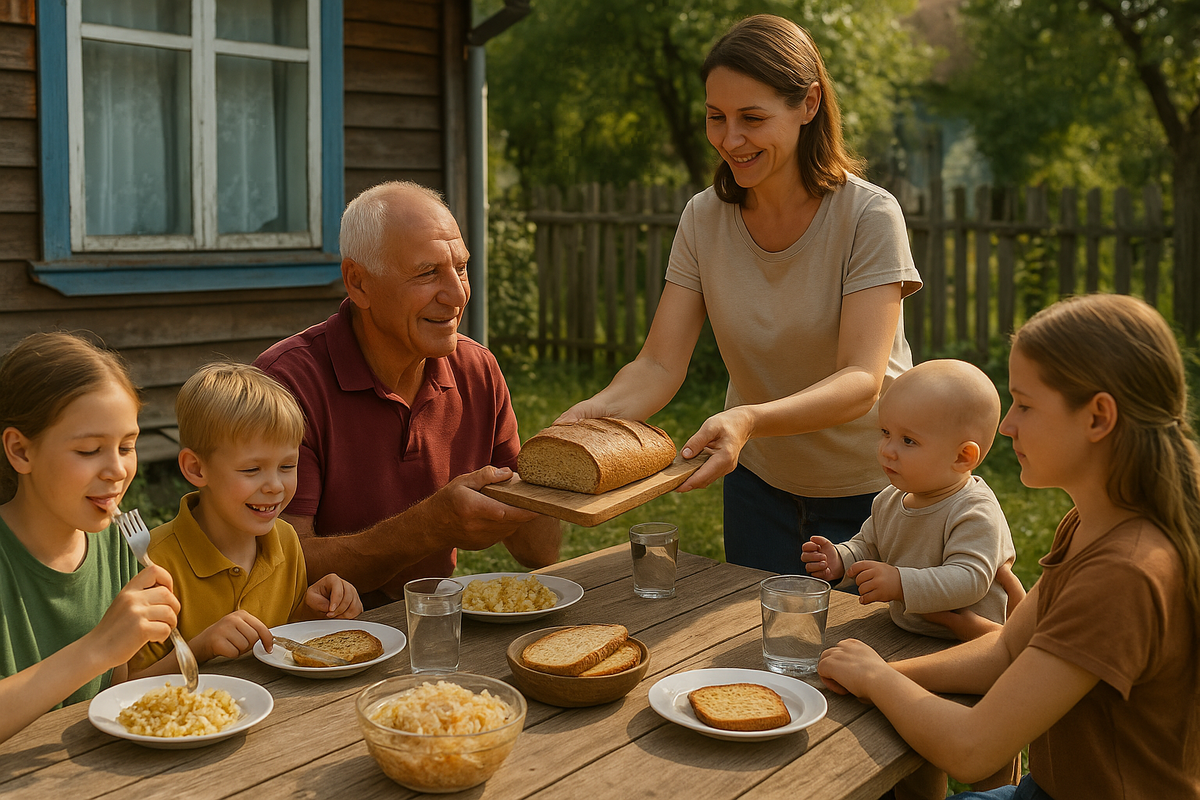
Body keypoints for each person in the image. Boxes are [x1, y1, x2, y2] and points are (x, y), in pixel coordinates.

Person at [556, 15, 921, 573]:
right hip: (758, 488)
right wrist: (591, 417)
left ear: (809, 104)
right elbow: (657, 363)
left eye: (752, 118)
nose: (730, 139)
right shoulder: (704, 218)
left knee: (857, 658)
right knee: (757, 654)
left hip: (872, 494)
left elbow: (860, 382)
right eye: (716, 117)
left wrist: (747, 419)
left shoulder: (869, 216)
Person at [818, 294, 1200, 798]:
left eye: (1025, 403)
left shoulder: (1124, 571)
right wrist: (881, 673)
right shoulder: (1091, 523)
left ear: (1097, 417)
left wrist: (878, 682)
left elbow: (973, 751)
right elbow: (1006, 650)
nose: (1007, 425)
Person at [255, 181, 561, 607]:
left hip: (434, 628)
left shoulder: (478, 369)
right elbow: (272, 566)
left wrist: (553, 473)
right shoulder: (284, 384)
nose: (458, 295)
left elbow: (540, 552)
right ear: (357, 283)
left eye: (461, 268)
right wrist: (429, 526)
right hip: (319, 644)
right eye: (427, 272)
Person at [0, 332, 180, 744]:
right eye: (88, 450)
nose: (117, 470)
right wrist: (98, 647)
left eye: (128, 446)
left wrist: (195, 649)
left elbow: (110, 698)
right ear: (21, 451)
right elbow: (98, 658)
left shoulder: (119, 544)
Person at [129, 363, 363, 675]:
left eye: (287, 466)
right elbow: (125, 687)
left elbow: (280, 644)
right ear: (197, 469)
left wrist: (315, 610)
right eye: (252, 470)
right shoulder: (152, 563)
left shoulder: (286, 540)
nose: (275, 486)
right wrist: (201, 647)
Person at [802, 359, 1019, 639]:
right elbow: (869, 545)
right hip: (904, 632)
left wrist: (900, 583)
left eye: (908, 441)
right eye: (885, 433)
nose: (887, 450)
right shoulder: (890, 499)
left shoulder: (974, 511)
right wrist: (841, 559)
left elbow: (969, 580)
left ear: (962, 457)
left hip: (965, 643)